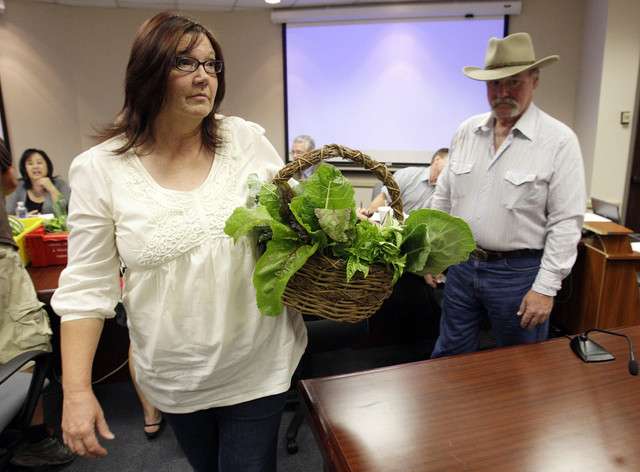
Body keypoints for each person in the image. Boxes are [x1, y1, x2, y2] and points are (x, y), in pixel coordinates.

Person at [50, 12, 306, 472]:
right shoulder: (99, 168)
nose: (204, 76)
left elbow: (296, 221)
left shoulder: (243, 140)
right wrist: (76, 391)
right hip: (174, 372)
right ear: (148, 72)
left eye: (212, 65)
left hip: (257, 360)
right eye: (185, 63)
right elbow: (87, 288)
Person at [428, 32, 586, 357]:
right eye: (494, 84)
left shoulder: (558, 141)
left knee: (519, 367)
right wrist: (434, 253)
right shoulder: (466, 132)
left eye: (513, 82)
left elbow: (566, 223)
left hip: (519, 274)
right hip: (461, 266)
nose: (502, 93)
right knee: (449, 357)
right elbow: (443, 199)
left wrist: (545, 289)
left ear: (535, 81)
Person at [0, 138, 75, 468]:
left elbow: (67, 213)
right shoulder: (16, 189)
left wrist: (51, 190)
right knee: (25, 343)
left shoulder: (58, 186)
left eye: (39, 162)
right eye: (28, 163)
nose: (34, 168)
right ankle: (36, 439)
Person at [358, 148, 449, 218]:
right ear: (437, 160)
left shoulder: (448, 189)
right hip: (394, 229)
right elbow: (383, 199)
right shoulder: (407, 174)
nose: (452, 167)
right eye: (449, 162)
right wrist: (368, 215)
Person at [5, 148, 71, 215]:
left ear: (47, 166)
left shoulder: (60, 184)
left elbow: (64, 212)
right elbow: (8, 214)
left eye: (39, 163)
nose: (35, 167)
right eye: (30, 164)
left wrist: (52, 189)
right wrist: (25, 218)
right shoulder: (18, 186)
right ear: (25, 169)